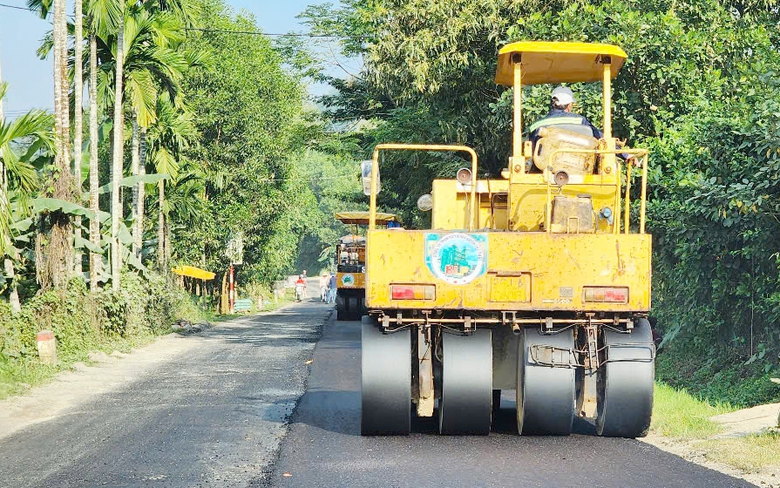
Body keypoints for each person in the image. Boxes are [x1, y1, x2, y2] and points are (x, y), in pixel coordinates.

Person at [529, 86, 634, 163]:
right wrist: (625, 155)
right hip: (581, 169)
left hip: (544, 171)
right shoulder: (580, 121)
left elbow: (530, 149)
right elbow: (602, 139)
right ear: (569, 105)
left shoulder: (537, 125)